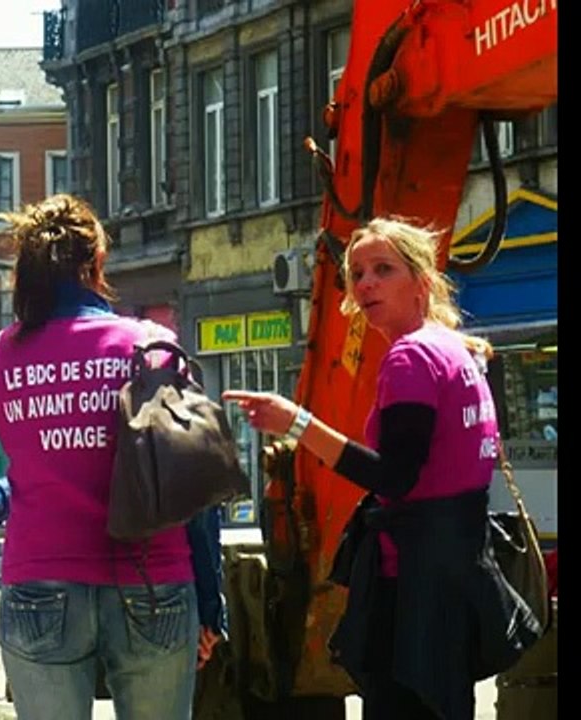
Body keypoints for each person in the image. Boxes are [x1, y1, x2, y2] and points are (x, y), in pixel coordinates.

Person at [224, 217, 537, 720]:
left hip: (411, 588)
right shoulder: (458, 352)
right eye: (357, 272)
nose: (366, 283)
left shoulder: (411, 360)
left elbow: (395, 477)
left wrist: (297, 422)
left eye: (383, 269)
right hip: (455, 575)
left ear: (422, 280)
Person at [0, 194, 225, 720]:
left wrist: (12, 494)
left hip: (38, 589)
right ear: (95, 266)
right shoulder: (155, 349)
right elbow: (196, 494)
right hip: (154, 584)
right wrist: (210, 605)